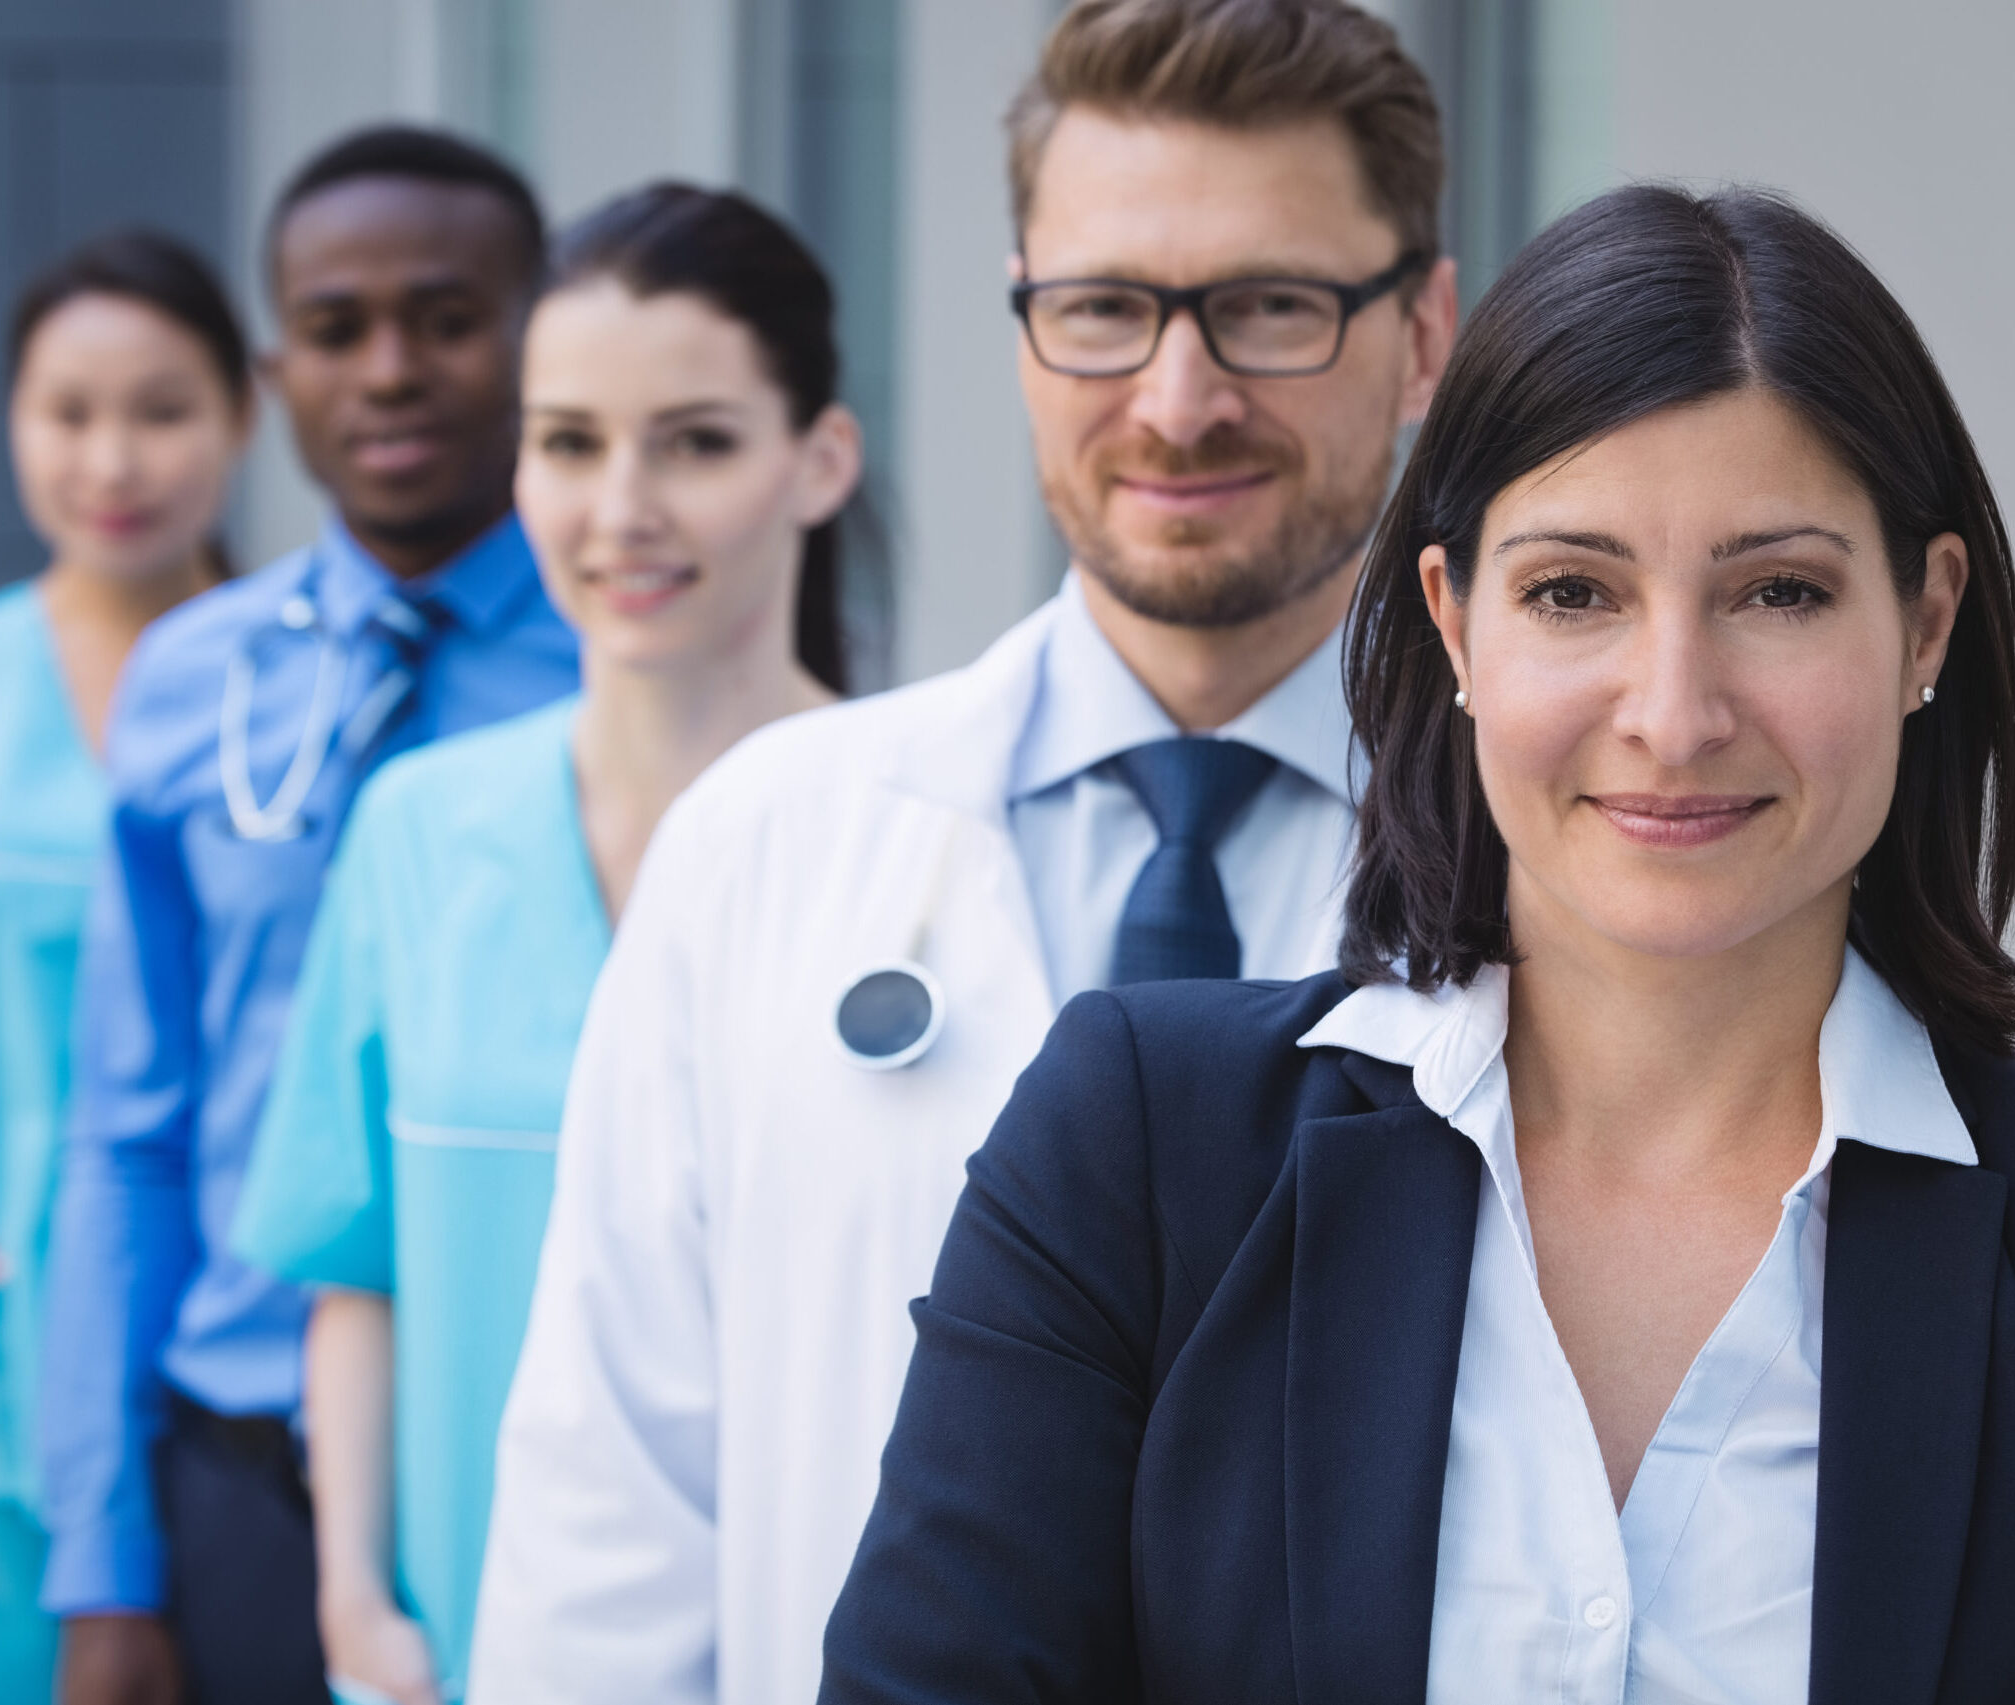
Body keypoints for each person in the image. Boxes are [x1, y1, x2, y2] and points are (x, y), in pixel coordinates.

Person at [818, 183, 2015, 1704]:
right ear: (1453, 625)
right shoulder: (1138, 1149)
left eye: (1776, 592)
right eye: (1572, 592)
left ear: (1922, 624)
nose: (1671, 710)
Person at [469, 3, 1458, 1701]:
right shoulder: (767, 847)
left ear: (1423, 332)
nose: (1177, 396)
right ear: (1021, 323)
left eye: (1270, 309)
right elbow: (609, 1525)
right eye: (1100, 311)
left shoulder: (1550, 873)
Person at [231, 183, 863, 1705]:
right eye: (570, 442)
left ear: (817, 460)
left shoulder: (919, 835)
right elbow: (358, 1268)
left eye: (696, 441)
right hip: (459, 1656)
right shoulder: (421, 830)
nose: (620, 506)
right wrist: (354, 1607)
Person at [38, 127, 579, 1705]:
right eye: (339, 329)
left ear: (537, 336)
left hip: (529, 1447)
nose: (392, 369)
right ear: (278, 374)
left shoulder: (637, 674)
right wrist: (106, 1560)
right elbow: (123, 1130)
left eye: (447, 316)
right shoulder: (194, 680)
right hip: (243, 1466)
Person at [0, 229, 249, 1705]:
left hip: (232, 1363)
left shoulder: (306, 683)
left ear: (242, 414)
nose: (114, 457)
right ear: (15, 420)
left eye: (162, 409)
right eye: (68, 411)